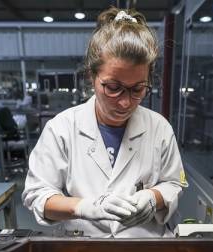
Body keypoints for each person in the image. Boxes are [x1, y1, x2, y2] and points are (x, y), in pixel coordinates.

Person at [22, 7, 188, 237]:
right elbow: (38, 195)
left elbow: (173, 184)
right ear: (91, 76)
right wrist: (83, 207)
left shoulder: (159, 128)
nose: (125, 102)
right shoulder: (62, 128)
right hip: (83, 249)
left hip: (145, 248)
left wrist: (153, 198)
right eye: (113, 88)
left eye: (138, 89)